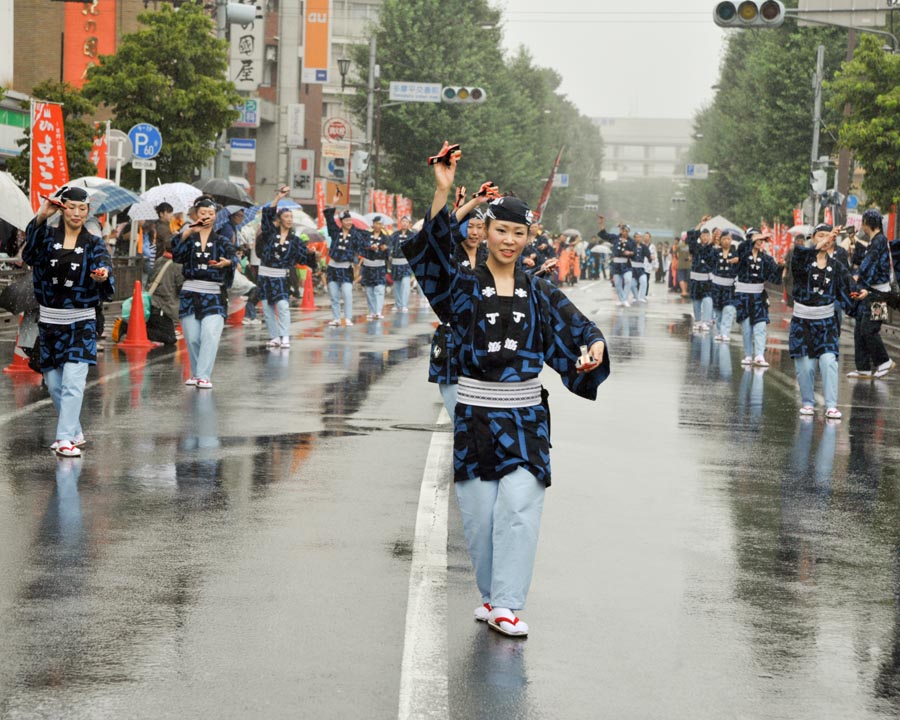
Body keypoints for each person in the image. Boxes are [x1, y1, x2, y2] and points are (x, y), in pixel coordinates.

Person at [403, 142, 610, 638]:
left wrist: (593, 349)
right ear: (487, 231)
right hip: (475, 417)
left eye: (520, 232)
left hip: (524, 420)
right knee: (479, 520)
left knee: (519, 506)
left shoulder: (538, 290)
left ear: (529, 236)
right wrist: (442, 193)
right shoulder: (461, 286)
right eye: (501, 230)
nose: (510, 240)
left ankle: (509, 605)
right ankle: (494, 597)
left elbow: (579, 328)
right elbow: (428, 253)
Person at [23, 186, 114, 457]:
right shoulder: (47, 237)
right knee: (53, 384)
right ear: (63, 208)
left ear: (88, 211)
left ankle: (64, 439)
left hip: (81, 321)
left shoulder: (94, 242)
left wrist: (102, 275)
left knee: (73, 381)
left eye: (82, 208)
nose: (76, 212)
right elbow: (28, 255)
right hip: (50, 322)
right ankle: (73, 430)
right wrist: (41, 216)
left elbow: (105, 268)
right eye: (71, 207)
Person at [790, 223, 858, 419]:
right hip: (802, 321)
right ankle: (808, 402)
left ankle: (831, 405)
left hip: (826, 322)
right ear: (813, 238)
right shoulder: (801, 260)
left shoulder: (836, 266)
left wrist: (861, 294)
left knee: (829, 361)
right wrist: (819, 246)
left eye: (829, 237)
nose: (826, 239)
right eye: (821, 235)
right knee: (806, 364)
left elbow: (848, 287)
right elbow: (800, 256)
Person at [172, 197, 237, 389]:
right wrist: (189, 230)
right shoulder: (189, 237)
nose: (207, 217)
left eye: (211, 213)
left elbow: (234, 257)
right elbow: (176, 254)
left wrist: (228, 263)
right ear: (195, 214)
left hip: (214, 293)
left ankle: (203, 375)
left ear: (216, 216)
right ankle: (195, 372)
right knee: (192, 337)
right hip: (190, 292)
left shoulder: (222, 240)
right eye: (203, 213)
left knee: (209, 333)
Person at [258, 186, 314, 348]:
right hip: (264, 275)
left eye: (291, 216)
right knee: (267, 308)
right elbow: (266, 215)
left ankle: (285, 336)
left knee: (282, 306)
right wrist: (278, 198)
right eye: (286, 216)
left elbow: (303, 258)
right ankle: (274, 336)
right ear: (280, 218)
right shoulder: (270, 234)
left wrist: (313, 255)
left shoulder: (295, 240)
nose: (289, 219)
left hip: (281, 276)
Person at [849, 208, 896, 379]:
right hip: (871, 292)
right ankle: (863, 368)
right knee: (860, 328)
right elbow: (866, 259)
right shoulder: (875, 240)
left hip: (878, 294)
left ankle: (884, 362)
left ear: (866, 223)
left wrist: (859, 278)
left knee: (869, 329)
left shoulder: (879, 241)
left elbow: (870, 264)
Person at [734, 228, 783, 366]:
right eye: (755, 238)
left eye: (761, 239)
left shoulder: (766, 258)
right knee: (747, 327)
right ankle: (748, 354)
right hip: (743, 295)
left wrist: (780, 267)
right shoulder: (742, 254)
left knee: (760, 325)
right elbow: (743, 247)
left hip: (759, 296)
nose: (759, 241)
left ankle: (760, 354)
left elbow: (774, 277)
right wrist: (757, 237)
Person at [324, 208, 365, 326]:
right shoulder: (335, 233)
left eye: (350, 220)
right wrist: (333, 204)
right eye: (346, 220)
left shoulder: (355, 235)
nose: (349, 222)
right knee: (334, 295)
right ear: (341, 222)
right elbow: (329, 219)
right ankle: (336, 318)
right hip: (332, 268)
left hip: (346, 269)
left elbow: (362, 245)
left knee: (347, 294)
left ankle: (348, 318)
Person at [686, 218, 715, 331]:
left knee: (708, 300)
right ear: (700, 236)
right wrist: (701, 224)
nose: (705, 238)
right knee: (696, 301)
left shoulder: (712, 249)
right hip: (695, 279)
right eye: (703, 235)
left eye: (707, 236)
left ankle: (706, 321)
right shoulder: (695, 247)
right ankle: (698, 321)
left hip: (707, 279)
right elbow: (691, 236)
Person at [710, 230, 739, 342]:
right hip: (717, 285)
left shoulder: (736, 253)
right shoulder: (716, 252)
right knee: (718, 310)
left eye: (728, 239)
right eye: (724, 239)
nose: (726, 241)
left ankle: (725, 332)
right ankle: (719, 332)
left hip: (730, 285)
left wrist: (738, 261)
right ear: (720, 241)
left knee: (729, 308)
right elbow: (708, 258)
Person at [361, 215, 390, 319]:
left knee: (379, 289)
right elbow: (362, 247)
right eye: (376, 223)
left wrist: (384, 249)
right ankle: (372, 311)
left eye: (380, 224)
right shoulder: (366, 235)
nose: (378, 226)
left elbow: (388, 253)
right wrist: (369, 247)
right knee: (369, 290)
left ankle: (378, 311)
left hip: (379, 266)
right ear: (373, 224)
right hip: (368, 265)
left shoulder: (385, 238)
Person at [599, 219, 634, 306]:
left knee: (628, 280)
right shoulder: (615, 238)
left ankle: (625, 298)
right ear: (621, 231)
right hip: (616, 265)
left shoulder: (631, 241)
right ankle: (622, 299)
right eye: (623, 230)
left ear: (628, 232)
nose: (624, 232)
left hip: (626, 264)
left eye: (626, 231)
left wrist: (630, 253)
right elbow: (604, 235)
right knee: (617, 283)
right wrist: (602, 223)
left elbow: (635, 252)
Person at [388, 215, 416, 313]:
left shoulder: (412, 235)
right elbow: (389, 246)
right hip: (395, 263)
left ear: (409, 224)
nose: (404, 223)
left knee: (405, 284)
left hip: (406, 264)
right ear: (400, 223)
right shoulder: (394, 235)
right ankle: (398, 303)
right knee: (397, 285)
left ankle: (404, 304)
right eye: (403, 221)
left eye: (406, 222)